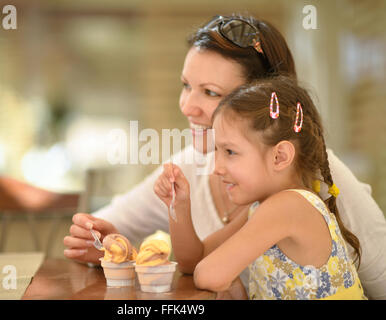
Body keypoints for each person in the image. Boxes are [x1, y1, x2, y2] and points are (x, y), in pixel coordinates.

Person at [63, 14, 386, 299]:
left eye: (211, 92)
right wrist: (97, 239)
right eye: (186, 85)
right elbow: (177, 255)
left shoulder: (318, 177)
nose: (187, 106)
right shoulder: (197, 169)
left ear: (261, 105)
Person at [157, 75, 366, 299]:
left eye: (230, 152)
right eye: (217, 151)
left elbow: (208, 275)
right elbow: (191, 263)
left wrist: (231, 281)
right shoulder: (262, 208)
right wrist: (178, 206)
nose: (217, 168)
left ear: (280, 156)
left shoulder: (288, 207)